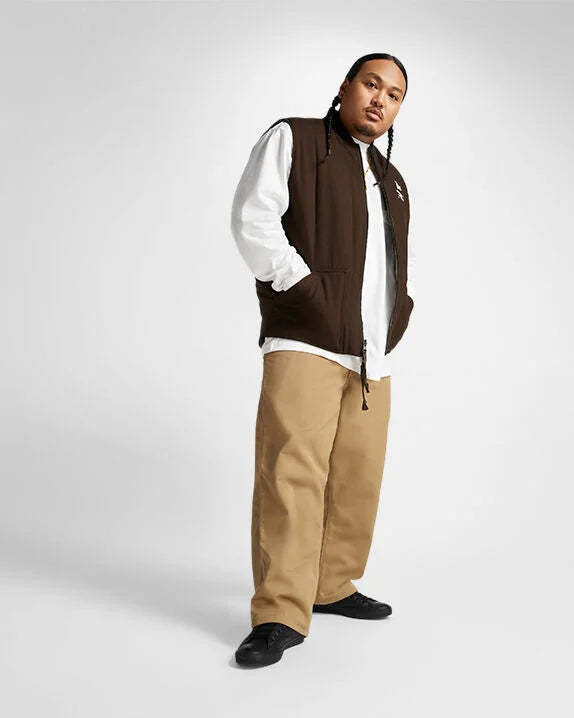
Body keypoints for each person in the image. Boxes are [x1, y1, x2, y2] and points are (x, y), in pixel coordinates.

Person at [230, 52, 415, 668]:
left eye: (394, 94)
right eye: (372, 84)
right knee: (292, 476)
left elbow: (393, 264)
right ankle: (280, 612)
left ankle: (331, 585)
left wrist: (398, 312)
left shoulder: (391, 179)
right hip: (305, 340)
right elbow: (254, 219)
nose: (380, 99)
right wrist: (303, 288)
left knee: (357, 478)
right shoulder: (296, 138)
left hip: (370, 355)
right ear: (346, 87)